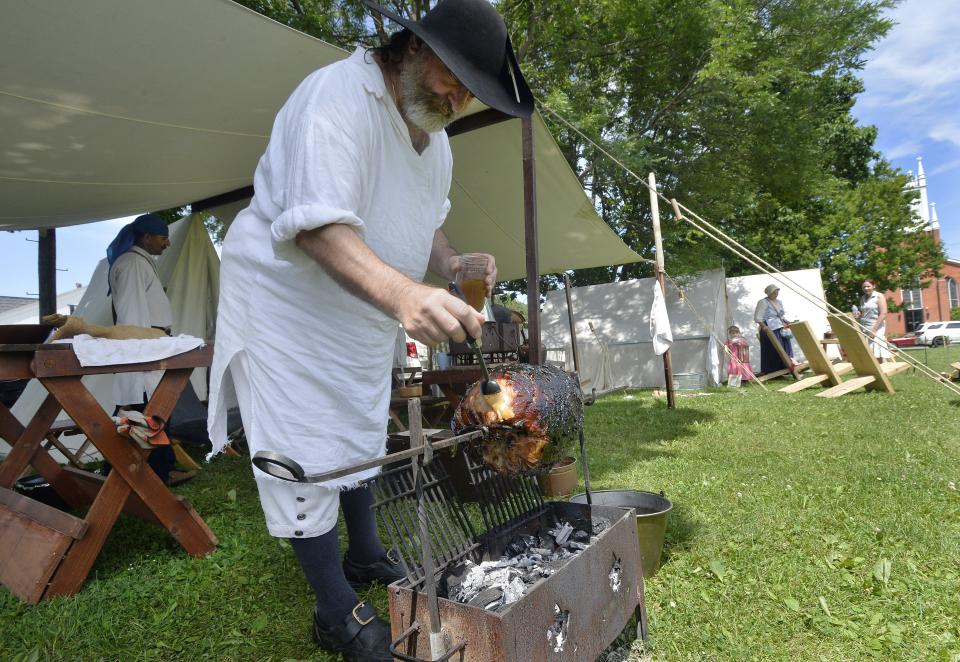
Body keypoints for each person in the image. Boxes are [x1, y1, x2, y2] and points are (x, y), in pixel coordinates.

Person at [205, 1, 533, 659]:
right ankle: (334, 612)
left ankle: (367, 553)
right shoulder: (336, 100)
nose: (458, 98)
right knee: (306, 445)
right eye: (454, 77)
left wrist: (448, 263)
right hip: (288, 304)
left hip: (360, 306)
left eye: (472, 91)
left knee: (359, 425)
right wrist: (404, 292)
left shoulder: (434, 136)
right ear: (412, 48)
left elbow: (424, 215)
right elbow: (318, 226)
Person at [106, 213, 195, 486]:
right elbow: (133, 315)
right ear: (146, 237)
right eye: (162, 237)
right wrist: (143, 351)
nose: (167, 243)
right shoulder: (133, 263)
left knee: (149, 410)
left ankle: (149, 470)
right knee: (150, 412)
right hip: (144, 347)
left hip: (151, 343)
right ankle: (157, 473)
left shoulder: (139, 263)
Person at [754, 283, 795, 374]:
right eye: (774, 292)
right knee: (772, 348)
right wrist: (764, 327)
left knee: (784, 346)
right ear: (769, 293)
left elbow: (781, 316)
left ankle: (786, 367)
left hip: (780, 327)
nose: (776, 293)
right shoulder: (763, 302)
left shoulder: (779, 302)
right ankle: (772, 370)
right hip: (769, 328)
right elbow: (758, 317)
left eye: (777, 291)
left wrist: (787, 322)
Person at [854, 279, 891, 362]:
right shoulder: (863, 298)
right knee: (870, 351)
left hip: (877, 327)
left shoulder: (879, 296)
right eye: (864, 287)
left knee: (877, 348)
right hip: (865, 327)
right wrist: (858, 313)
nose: (866, 288)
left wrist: (874, 330)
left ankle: (883, 369)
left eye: (868, 286)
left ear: (874, 286)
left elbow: (883, 313)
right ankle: (877, 371)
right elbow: (863, 312)